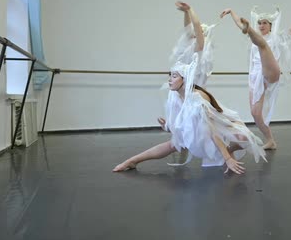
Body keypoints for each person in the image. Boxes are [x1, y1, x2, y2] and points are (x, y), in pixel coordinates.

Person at [114, 54, 266, 174]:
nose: (169, 80)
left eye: (174, 76)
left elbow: (212, 129)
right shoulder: (174, 95)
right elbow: (180, 121)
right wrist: (167, 126)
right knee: (174, 144)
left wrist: (227, 158)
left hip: (218, 126)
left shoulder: (197, 98)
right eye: (170, 75)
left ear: (184, 80)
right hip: (199, 127)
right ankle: (132, 161)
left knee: (245, 137)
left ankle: (227, 150)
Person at [220, 6, 291, 150]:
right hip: (256, 74)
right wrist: (231, 12)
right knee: (255, 113)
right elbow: (240, 24)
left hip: (271, 71)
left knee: (262, 45)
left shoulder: (277, 37)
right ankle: (270, 140)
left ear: (271, 25)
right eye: (259, 23)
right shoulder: (254, 35)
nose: (261, 25)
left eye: (265, 23)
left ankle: (251, 31)